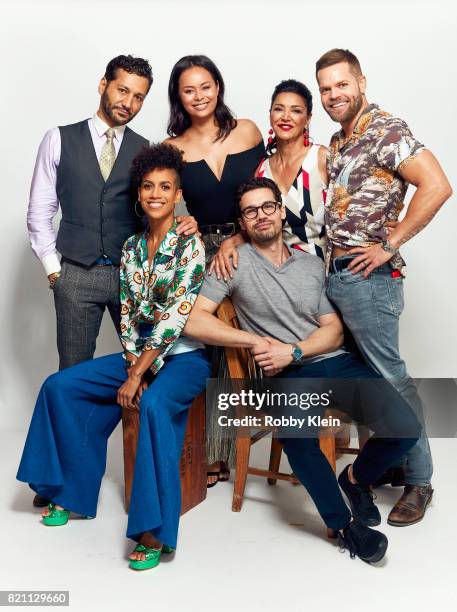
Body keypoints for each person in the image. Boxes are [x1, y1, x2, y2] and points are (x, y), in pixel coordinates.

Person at [184, 176, 421, 563]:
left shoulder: (312, 266)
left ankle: (355, 479)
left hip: (333, 362)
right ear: (241, 222)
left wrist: (294, 350)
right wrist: (256, 343)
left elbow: (333, 330)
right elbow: (194, 321)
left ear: (280, 212)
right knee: (298, 440)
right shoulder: (232, 263)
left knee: (406, 427)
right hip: (290, 377)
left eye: (267, 207)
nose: (260, 216)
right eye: (249, 211)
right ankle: (344, 526)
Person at [17, 143, 210, 572]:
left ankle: (153, 531)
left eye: (165, 187)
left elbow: (175, 319)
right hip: (138, 356)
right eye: (148, 186)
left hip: (183, 360)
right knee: (61, 386)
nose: (156, 193)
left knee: (157, 406)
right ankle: (68, 492)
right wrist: (132, 364)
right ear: (139, 194)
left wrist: (138, 374)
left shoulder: (190, 247)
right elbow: (126, 316)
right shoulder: (131, 249)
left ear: (178, 194)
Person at [27, 55, 196, 508]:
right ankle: (64, 485)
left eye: (139, 96)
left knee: (148, 371)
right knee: (72, 378)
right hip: (76, 274)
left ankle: (150, 481)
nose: (129, 102)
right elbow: (40, 211)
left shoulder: (146, 148)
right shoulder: (58, 139)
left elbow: (165, 203)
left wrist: (188, 222)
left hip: (132, 281)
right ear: (104, 84)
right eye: (123, 90)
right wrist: (54, 269)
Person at [315, 48, 452, 525]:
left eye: (341, 84)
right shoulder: (337, 141)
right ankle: (391, 461)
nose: (334, 95)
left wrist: (389, 244)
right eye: (326, 88)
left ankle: (420, 480)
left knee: (391, 380)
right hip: (340, 277)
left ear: (361, 82)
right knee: (370, 382)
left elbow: (437, 184)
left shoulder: (385, 130)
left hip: (370, 280)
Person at [164, 54, 264, 485]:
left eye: (206, 86)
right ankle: (213, 451)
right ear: (179, 98)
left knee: (264, 333)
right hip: (203, 249)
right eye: (189, 90)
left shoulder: (248, 130)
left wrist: (240, 236)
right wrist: (179, 220)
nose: (199, 96)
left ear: (218, 87)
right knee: (207, 342)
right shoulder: (172, 149)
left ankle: (286, 433)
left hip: (253, 241)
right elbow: (156, 201)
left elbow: (271, 188)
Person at [213, 78, 328, 280]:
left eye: (296, 110)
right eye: (279, 109)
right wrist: (230, 242)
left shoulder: (321, 159)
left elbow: (352, 213)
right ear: (270, 114)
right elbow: (259, 226)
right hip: (281, 280)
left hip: (326, 277)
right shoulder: (261, 171)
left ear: (308, 118)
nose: (285, 117)